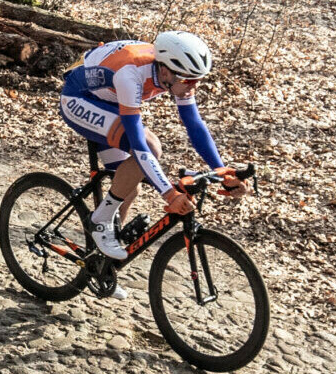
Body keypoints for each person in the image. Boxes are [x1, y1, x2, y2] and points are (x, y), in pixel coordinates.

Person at [57, 33, 246, 263]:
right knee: (150, 146)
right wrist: (169, 195)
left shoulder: (175, 75)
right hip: (79, 98)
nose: (193, 86)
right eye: (188, 80)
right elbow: (139, 144)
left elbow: (194, 125)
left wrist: (221, 170)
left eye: (198, 80)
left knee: (129, 185)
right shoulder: (132, 74)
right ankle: (100, 220)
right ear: (165, 71)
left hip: (110, 98)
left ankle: (100, 261)